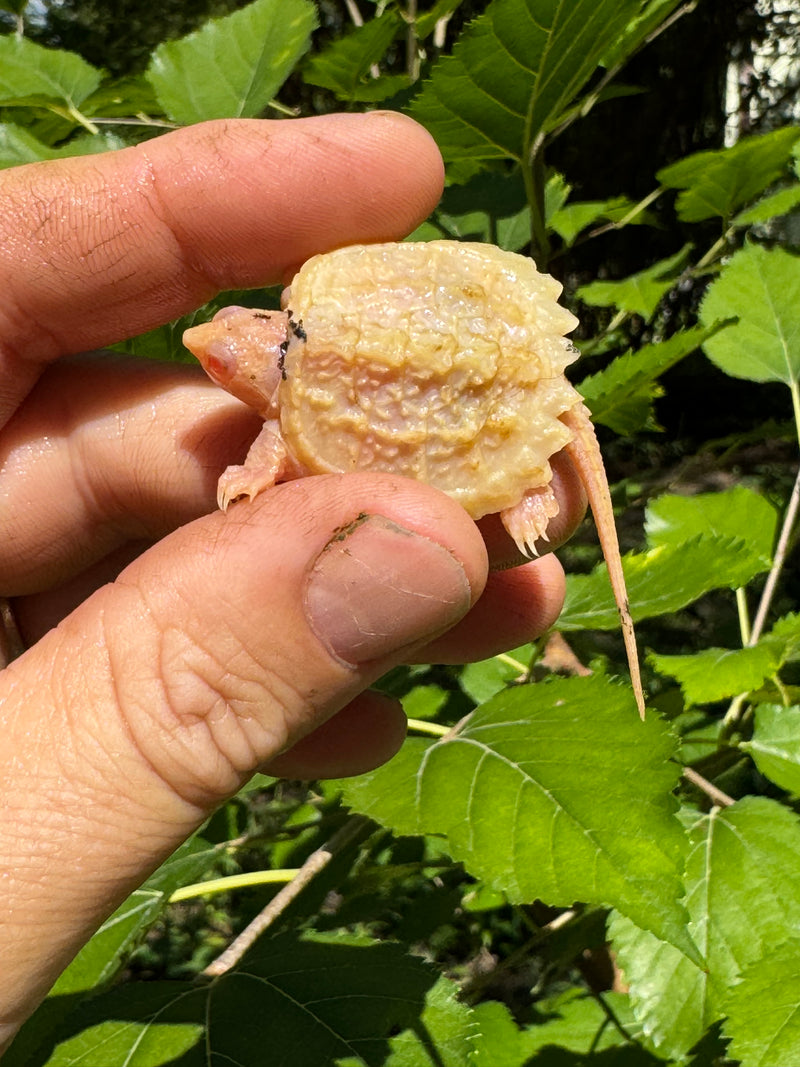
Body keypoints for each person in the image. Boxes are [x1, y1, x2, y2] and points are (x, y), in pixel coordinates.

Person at [0, 112, 585, 1050]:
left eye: (226, 352)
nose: (212, 352)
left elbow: (272, 451)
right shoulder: (292, 409)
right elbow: (269, 447)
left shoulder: (300, 392)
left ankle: (519, 475)